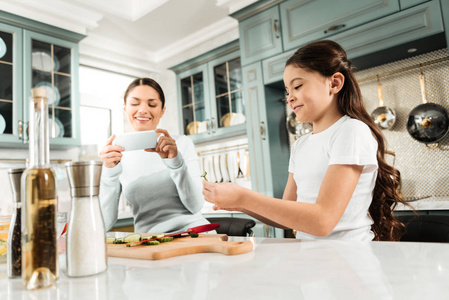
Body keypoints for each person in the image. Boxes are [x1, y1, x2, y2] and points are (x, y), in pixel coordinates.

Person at [203, 40, 408, 241]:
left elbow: (322, 221)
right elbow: (288, 218)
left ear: (334, 83)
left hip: (350, 259)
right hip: (312, 259)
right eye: (287, 91)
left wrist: (243, 196)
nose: (290, 97)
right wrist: (241, 205)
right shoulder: (301, 145)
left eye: (298, 86)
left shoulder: (351, 130)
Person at [99, 77, 211, 233]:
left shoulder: (181, 144)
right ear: (125, 108)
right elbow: (103, 223)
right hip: (150, 243)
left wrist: (175, 162)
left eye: (152, 104)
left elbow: (195, 205)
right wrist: (109, 174)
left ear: (162, 110)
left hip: (195, 234)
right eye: (135, 103)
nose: (143, 110)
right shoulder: (116, 155)